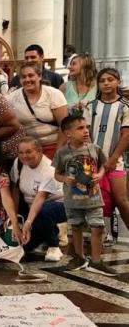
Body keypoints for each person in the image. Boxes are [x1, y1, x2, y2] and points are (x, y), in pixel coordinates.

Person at [53, 115, 117, 276]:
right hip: (73, 200)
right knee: (76, 227)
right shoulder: (62, 153)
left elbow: (103, 165)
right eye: (80, 128)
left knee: (98, 226)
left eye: (86, 127)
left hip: (93, 198)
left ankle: (96, 261)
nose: (85, 131)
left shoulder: (95, 149)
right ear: (68, 133)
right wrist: (65, 179)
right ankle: (79, 257)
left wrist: (100, 174)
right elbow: (57, 174)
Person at [83, 68, 129, 246]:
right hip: (91, 161)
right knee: (93, 200)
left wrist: (112, 158)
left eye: (110, 79)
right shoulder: (91, 106)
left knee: (121, 200)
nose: (107, 83)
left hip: (114, 160)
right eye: (102, 80)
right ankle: (101, 235)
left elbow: (126, 135)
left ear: (117, 81)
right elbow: (85, 132)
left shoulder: (124, 106)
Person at [10, 137, 66, 261]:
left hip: (57, 205)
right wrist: (14, 219)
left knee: (43, 211)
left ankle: (53, 246)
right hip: (31, 206)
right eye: (21, 153)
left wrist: (28, 224)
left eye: (29, 152)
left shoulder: (49, 169)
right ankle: (50, 232)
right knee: (25, 246)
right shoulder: (18, 164)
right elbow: (15, 191)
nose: (24, 156)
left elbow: (39, 200)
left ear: (39, 151)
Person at [7, 64, 68, 158]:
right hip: (27, 149)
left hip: (53, 144)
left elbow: (64, 126)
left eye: (31, 75)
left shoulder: (54, 94)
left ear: (39, 76)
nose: (27, 80)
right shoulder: (11, 98)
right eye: (23, 77)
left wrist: (58, 154)